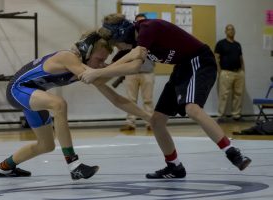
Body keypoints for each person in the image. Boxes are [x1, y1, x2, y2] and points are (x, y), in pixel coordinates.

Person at [78, 14, 252, 179]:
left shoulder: (147, 27)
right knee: (156, 121)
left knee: (191, 108)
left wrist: (99, 72)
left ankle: (232, 151)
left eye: (116, 43)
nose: (117, 47)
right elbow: (110, 72)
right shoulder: (130, 47)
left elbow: (134, 63)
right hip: (182, 68)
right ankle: (174, 166)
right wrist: (82, 71)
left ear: (123, 34)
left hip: (199, 60)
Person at [0, 31, 150, 181]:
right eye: (99, 59)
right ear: (87, 52)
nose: (102, 64)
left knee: (46, 145)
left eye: (104, 60)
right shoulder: (67, 57)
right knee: (59, 104)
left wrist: (148, 117)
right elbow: (98, 79)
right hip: (17, 89)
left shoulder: (87, 67)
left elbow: (115, 98)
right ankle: (74, 165)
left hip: (33, 94)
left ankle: (4, 167)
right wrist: (129, 56)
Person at [118, 13, 155, 132]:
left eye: (143, 21)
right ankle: (130, 123)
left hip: (148, 72)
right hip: (131, 72)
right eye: (138, 22)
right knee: (130, 99)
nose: (141, 24)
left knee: (148, 99)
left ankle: (150, 122)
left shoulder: (152, 35)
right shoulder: (129, 37)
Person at [215, 24, 245, 122]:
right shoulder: (221, 44)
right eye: (229, 29)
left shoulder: (237, 45)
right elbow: (216, 58)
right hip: (226, 72)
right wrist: (220, 72)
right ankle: (221, 116)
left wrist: (243, 71)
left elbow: (241, 59)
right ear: (225, 31)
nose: (231, 31)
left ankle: (236, 115)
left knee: (238, 94)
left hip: (238, 73)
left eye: (233, 29)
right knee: (223, 95)